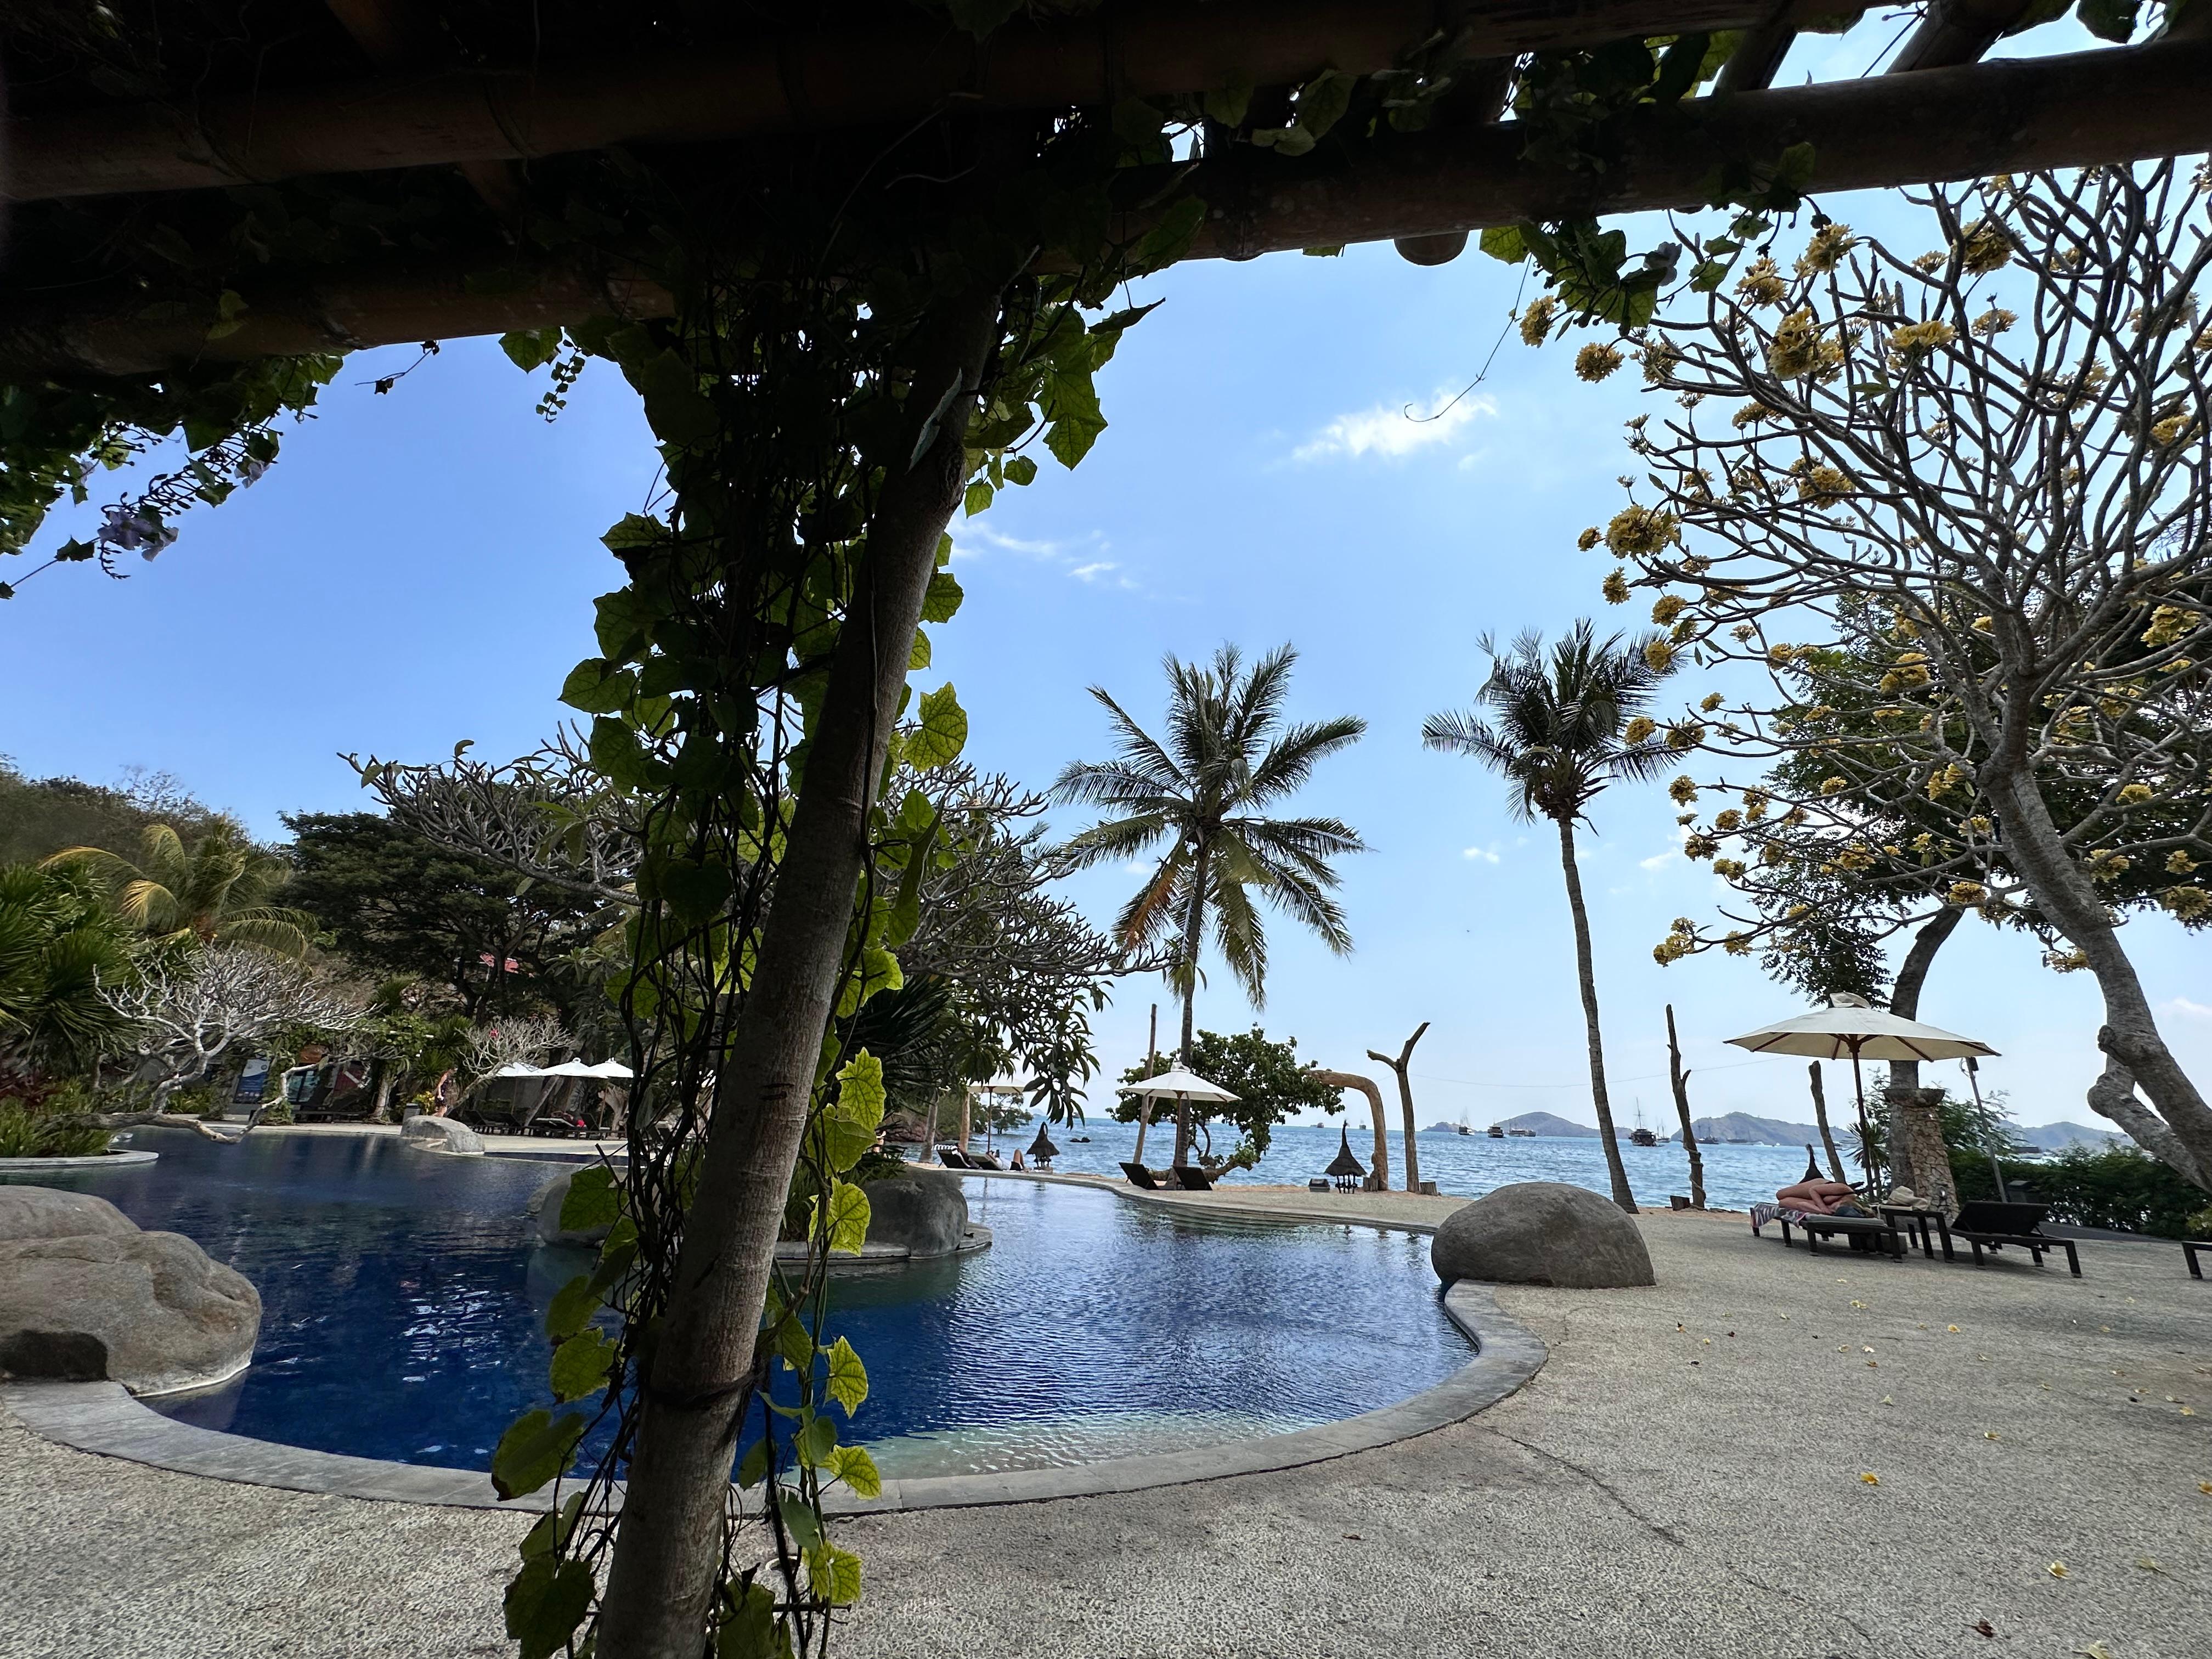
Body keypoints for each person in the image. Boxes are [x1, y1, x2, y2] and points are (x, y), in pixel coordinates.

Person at [1774, 1177, 1865, 1216]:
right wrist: (1823, 1207)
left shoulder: (1836, 1210)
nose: (1833, 1208)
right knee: (1780, 1195)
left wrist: (1822, 1211)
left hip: (1819, 1201)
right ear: (1842, 1202)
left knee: (1783, 1202)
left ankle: (1820, 1204)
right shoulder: (1844, 1190)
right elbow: (1814, 1190)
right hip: (1815, 1188)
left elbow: (1802, 1205)